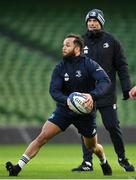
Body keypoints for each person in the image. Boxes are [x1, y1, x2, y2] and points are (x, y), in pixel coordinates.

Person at [5, 34, 112, 176]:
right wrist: (67, 100)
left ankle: (103, 161)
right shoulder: (60, 67)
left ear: (77, 48)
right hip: (65, 110)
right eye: (63, 45)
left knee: (92, 148)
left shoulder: (89, 64)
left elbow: (105, 80)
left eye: (67, 45)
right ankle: (17, 167)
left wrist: (92, 95)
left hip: (85, 112)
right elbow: (54, 91)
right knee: (42, 137)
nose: (64, 48)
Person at [72, 9, 135, 172]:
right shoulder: (81, 42)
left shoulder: (112, 41)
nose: (92, 23)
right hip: (87, 96)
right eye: (89, 21)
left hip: (107, 94)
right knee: (86, 130)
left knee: (112, 126)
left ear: (101, 23)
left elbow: (122, 66)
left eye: (95, 21)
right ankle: (87, 163)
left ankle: (122, 159)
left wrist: (127, 88)